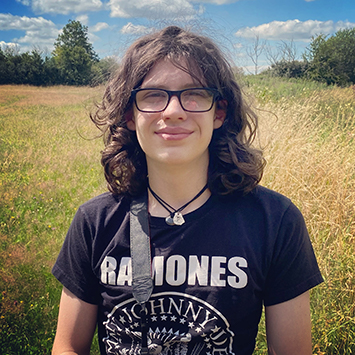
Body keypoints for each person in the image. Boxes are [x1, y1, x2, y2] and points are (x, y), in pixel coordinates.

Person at [52, 26, 323, 355]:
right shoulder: (95, 222)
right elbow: (67, 347)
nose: (173, 111)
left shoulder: (274, 222)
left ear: (219, 112)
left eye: (194, 93)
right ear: (129, 115)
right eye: (153, 95)